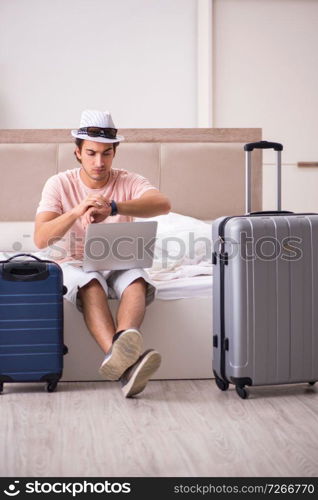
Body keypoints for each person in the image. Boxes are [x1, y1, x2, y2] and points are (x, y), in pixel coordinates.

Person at [34, 109, 171, 397]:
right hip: (72, 262)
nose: (99, 162)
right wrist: (77, 210)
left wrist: (114, 207)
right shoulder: (58, 183)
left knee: (136, 281)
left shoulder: (128, 180)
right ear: (77, 153)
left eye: (106, 154)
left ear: (114, 153)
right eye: (92, 153)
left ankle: (121, 353)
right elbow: (40, 238)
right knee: (91, 285)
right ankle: (127, 368)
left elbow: (162, 204)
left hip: (117, 259)